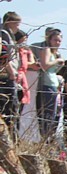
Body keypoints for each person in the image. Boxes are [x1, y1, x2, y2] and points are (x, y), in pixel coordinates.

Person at [36, 28, 64, 141]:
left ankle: (48, 139)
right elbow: (45, 66)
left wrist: (59, 64)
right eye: (55, 40)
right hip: (46, 85)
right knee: (46, 115)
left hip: (53, 84)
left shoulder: (55, 53)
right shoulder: (46, 49)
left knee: (53, 116)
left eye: (59, 41)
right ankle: (43, 139)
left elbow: (53, 70)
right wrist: (57, 61)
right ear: (50, 40)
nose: (57, 43)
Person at [0, 12, 22, 141]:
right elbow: (3, 55)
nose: (18, 28)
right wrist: (11, 72)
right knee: (9, 110)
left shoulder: (8, 35)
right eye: (17, 24)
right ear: (9, 22)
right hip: (6, 76)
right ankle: (9, 141)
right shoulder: (3, 34)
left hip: (8, 74)